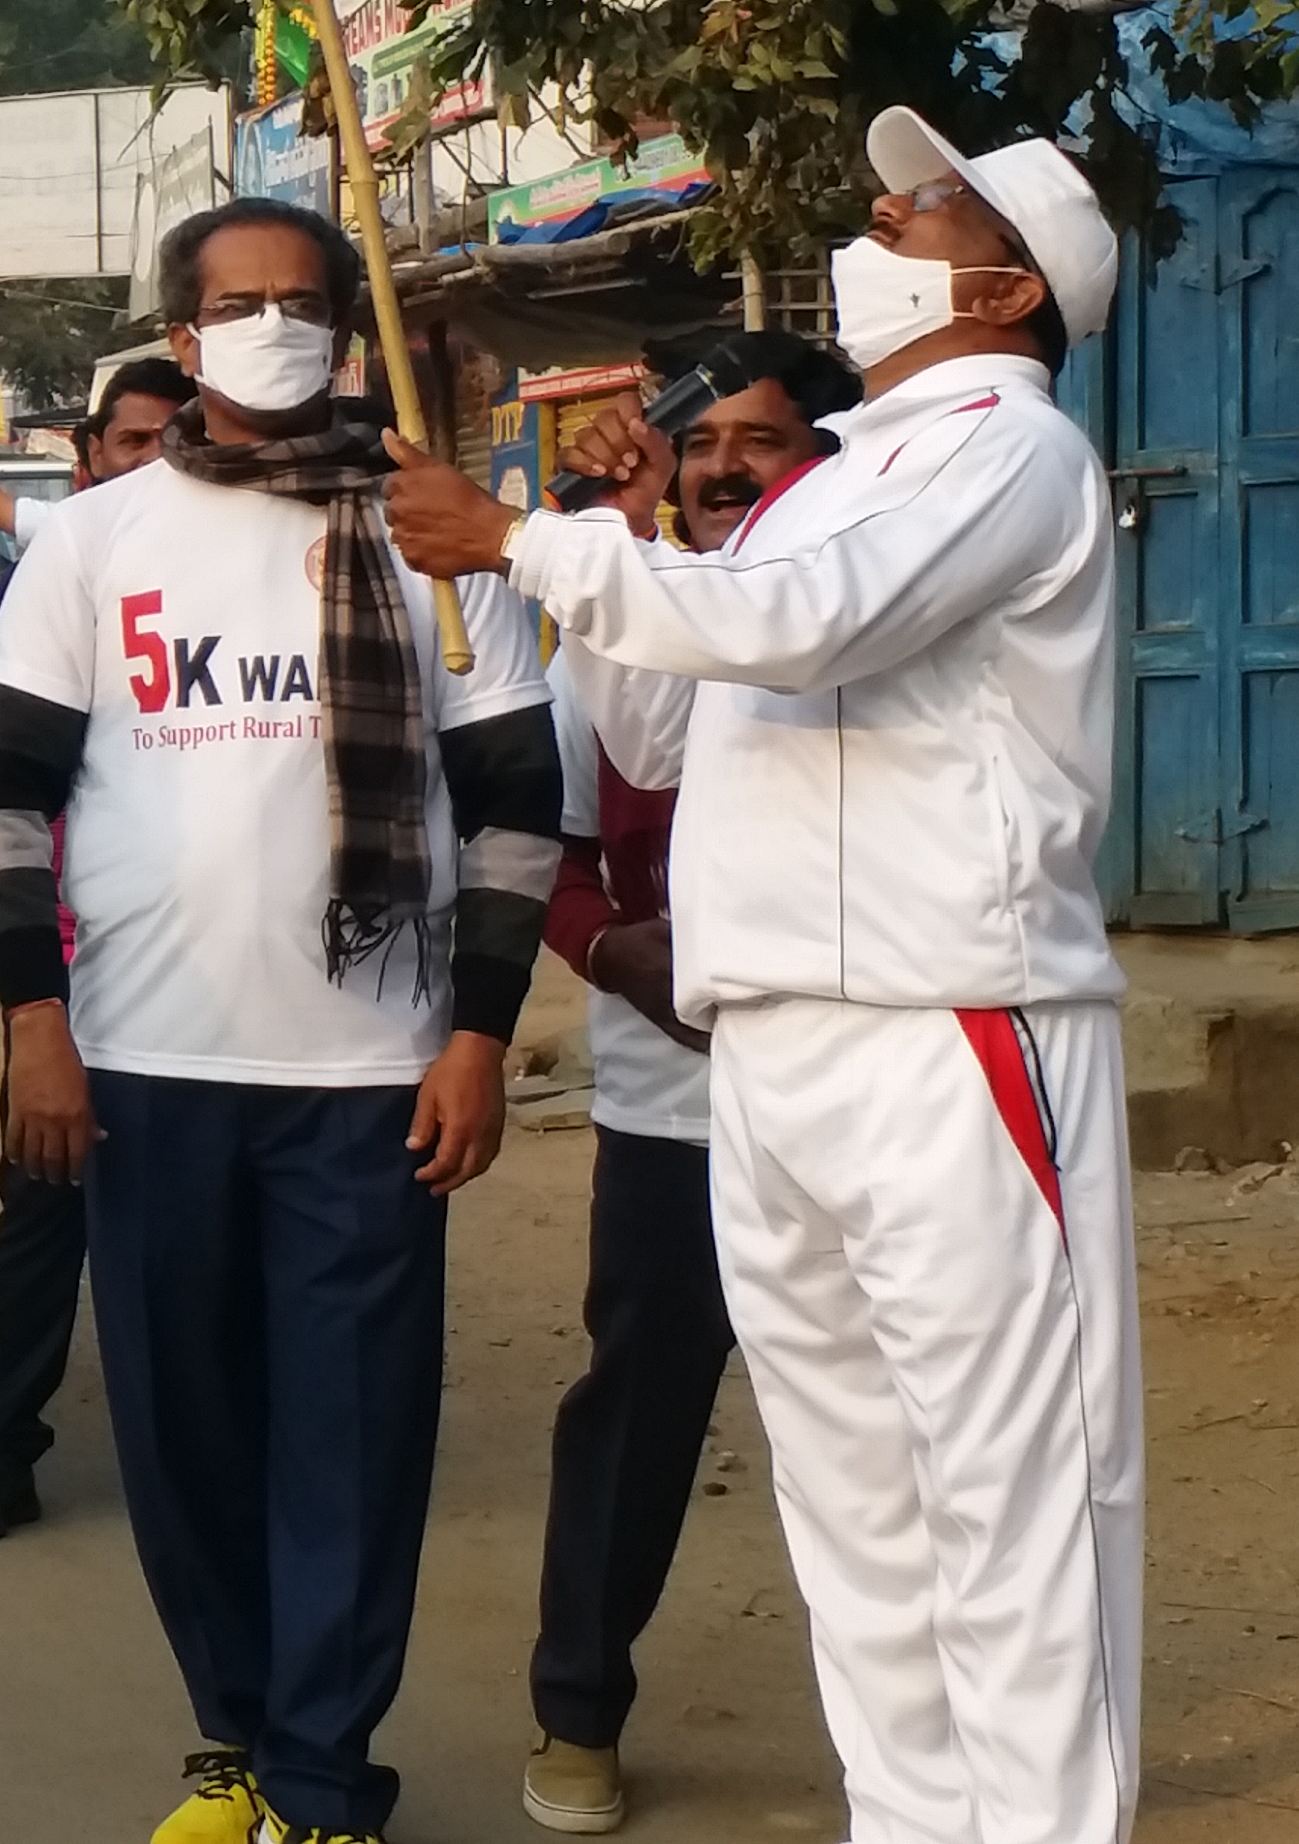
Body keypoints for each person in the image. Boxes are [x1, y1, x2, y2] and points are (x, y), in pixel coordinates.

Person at [383, 109, 1138, 1844]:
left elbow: (797, 617)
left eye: (923, 204)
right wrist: (604, 554)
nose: (878, 212)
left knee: (1011, 1503)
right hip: (776, 1042)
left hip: (949, 1030)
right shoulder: (852, 465)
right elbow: (686, 699)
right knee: (855, 1504)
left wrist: (526, 542)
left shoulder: (998, 446)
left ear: (1005, 284)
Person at [0, 197, 564, 1844]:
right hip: (148, 1063)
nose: (277, 326)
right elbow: (2, 797)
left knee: (352, 1447)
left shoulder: (431, 536)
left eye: (304, 302)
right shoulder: (89, 545)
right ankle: (232, 1735)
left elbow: (515, 811)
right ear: (181, 340)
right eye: (240, 304)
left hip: (369, 1073)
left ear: (343, 334)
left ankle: (322, 1780)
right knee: (182, 1430)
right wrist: (34, 1019)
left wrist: (477, 1035)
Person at [512, 328, 855, 1837]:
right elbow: (570, 850)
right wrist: (617, 960)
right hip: (671, 1115)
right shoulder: (636, 624)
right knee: (640, 1411)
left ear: (824, 469)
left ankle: (922, 1746)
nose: (722, 466)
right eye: (701, 442)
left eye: (759, 444)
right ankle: (577, 1713)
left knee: (880, 1426)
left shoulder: (870, 624)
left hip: (856, 1100)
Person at [0, 357, 179, 1543]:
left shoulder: (269, 579)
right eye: (133, 443)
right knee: (43, 1206)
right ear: (87, 461)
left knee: (201, 1226)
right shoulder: (41, 583)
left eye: (180, 438)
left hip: (211, 975)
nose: (158, 461)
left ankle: (200, 1455)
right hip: (61, 972)